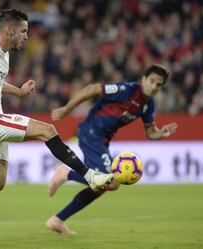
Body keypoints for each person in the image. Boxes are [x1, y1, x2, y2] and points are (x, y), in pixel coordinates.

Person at [0, 9, 113, 237]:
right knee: (47, 130)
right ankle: (91, 176)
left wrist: (20, 92)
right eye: (23, 31)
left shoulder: (3, 55)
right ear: (9, 30)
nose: (26, 36)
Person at [46, 64, 178, 235]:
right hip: (91, 132)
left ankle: (57, 220)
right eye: (152, 81)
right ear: (143, 79)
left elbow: (150, 133)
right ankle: (66, 173)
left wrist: (161, 133)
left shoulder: (148, 105)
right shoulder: (126, 90)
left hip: (102, 140)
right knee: (112, 182)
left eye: (158, 85)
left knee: (99, 188)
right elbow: (93, 88)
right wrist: (67, 109)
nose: (154, 87)